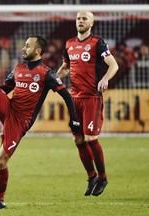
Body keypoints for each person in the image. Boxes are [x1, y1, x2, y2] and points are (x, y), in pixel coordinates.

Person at [0, 35, 81, 209]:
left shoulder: (46, 73)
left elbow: (66, 95)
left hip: (20, 121)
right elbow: (4, 88)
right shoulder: (18, 68)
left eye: (27, 46)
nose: (23, 49)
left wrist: (74, 120)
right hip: (8, 107)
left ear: (38, 50)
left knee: (1, 161)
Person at [56, 11, 119, 196]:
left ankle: (102, 177)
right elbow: (66, 68)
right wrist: (52, 80)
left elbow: (113, 64)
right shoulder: (68, 44)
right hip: (74, 98)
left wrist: (105, 79)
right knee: (78, 139)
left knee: (91, 138)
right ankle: (91, 176)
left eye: (84, 18)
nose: (81, 21)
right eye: (78, 18)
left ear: (91, 22)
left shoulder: (97, 43)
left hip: (92, 97)